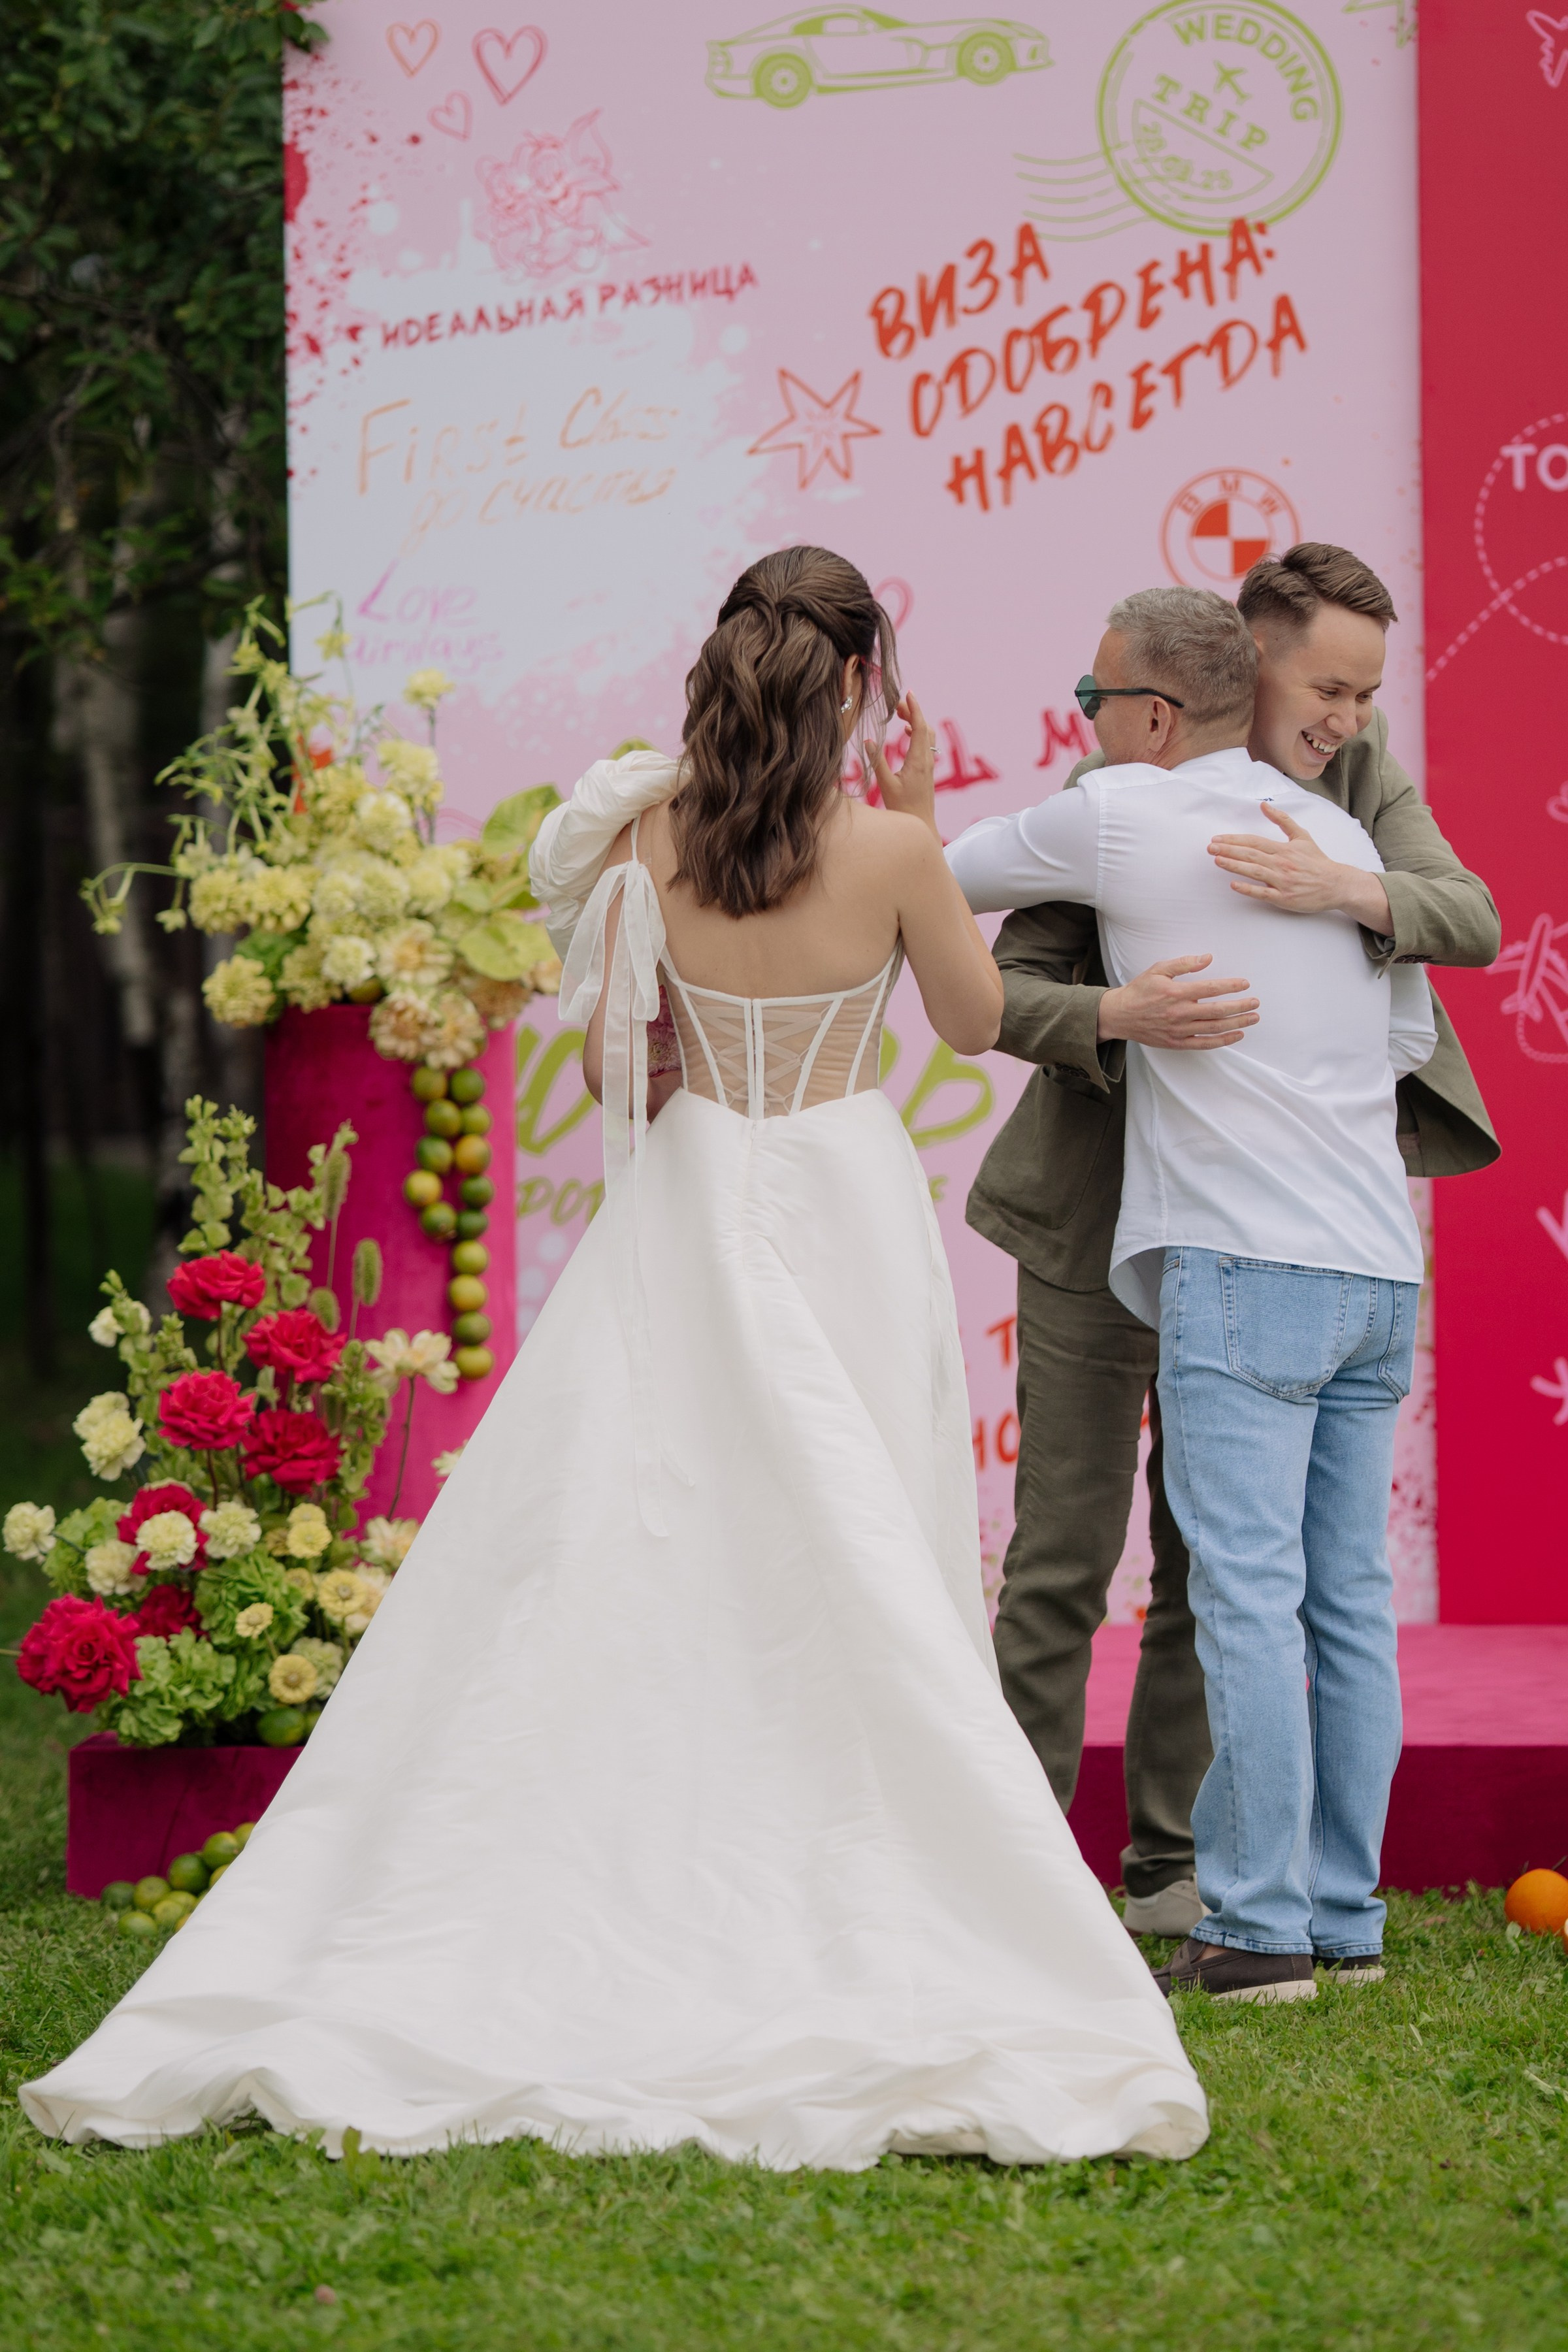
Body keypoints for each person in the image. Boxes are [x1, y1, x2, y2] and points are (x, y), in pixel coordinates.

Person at [23, 547, 1208, 2166]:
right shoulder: (895, 847)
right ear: (859, 683)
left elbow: (622, 1073)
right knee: (851, 1519)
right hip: (841, 1196)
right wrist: (932, 821)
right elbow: (972, 1021)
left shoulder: (649, 836)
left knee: (649, 1519)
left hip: (691, 1187)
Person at [966, 546, 1499, 1938]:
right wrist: (1111, 1019)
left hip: (1272, 1246)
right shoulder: (1109, 800)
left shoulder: (1358, 792)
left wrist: (1345, 890)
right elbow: (997, 982)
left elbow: (1468, 914)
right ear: (1242, 666)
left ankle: (1172, 1869)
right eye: (1327, 685)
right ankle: (1018, 1879)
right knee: (1063, 1561)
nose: (1348, 717)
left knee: (1224, 1578)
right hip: (1099, 1220)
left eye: (1366, 691)